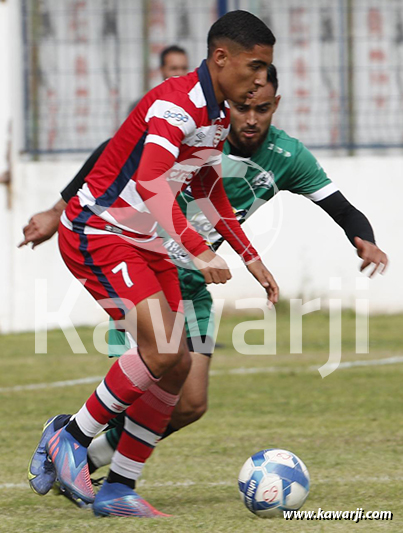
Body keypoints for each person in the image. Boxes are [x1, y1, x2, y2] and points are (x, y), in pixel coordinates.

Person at [22, 63, 388, 507]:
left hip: (193, 281)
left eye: (263, 107)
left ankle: (108, 477)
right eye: (243, 106)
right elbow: (115, 155)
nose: (251, 117)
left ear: (277, 105)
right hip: (138, 256)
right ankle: (71, 440)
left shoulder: (285, 155)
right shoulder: (185, 122)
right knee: (152, 368)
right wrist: (55, 208)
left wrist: (360, 238)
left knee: (190, 401)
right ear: (229, 94)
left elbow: (338, 205)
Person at [25, 10, 278, 518]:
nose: (260, 79)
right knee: (162, 352)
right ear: (221, 58)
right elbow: (149, 182)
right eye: (254, 66)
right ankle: (70, 437)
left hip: (143, 239)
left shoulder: (218, 118)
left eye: (265, 69)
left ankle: (119, 487)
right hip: (98, 230)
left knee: (177, 365)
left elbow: (205, 188)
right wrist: (196, 247)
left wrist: (249, 256)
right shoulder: (177, 106)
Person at [127, 45, 189, 113]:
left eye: (184, 68)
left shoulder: (196, 103)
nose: (180, 73)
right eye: (173, 68)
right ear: (162, 69)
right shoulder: (144, 104)